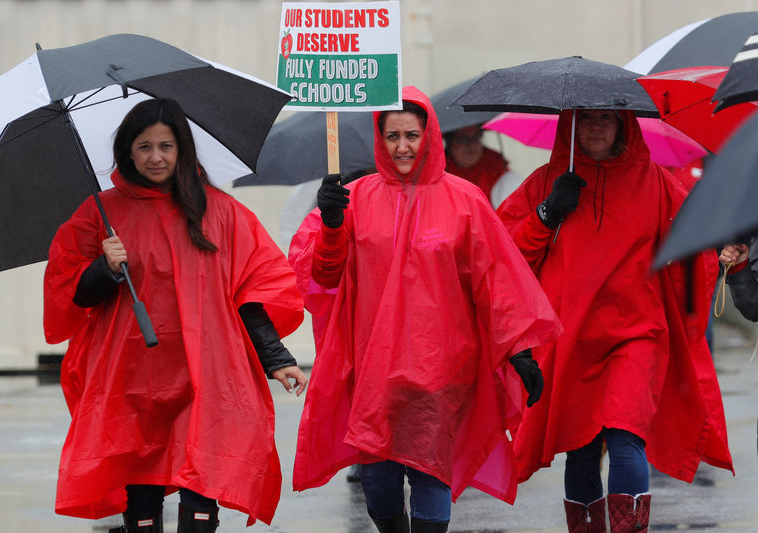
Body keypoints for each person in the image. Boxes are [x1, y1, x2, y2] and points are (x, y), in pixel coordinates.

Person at [288, 86, 562, 533]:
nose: (402, 146)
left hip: (441, 368)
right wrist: (333, 228)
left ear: (429, 135)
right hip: (373, 367)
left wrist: (520, 352)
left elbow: (496, 281)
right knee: (378, 487)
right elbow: (325, 276)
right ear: (379, 139)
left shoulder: (465, 200)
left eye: (411, 134)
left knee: (432, 469)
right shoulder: (354, 198)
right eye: (392, 135)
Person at [43, 98, 307, 533]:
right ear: (127, 151)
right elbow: (71, 294)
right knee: (141, 487)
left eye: (166, 146)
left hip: (206, 372)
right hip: (133, 375)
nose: (155, 157)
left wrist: (276, 359)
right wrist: (102, 269)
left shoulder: (220, 213)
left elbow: (252, 289)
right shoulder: (101, 214)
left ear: (182, 149)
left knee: (204, 478)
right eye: (144, 146)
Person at [496, 109, 733, 533]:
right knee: (582, 449)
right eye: (587, 119)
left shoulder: (656, 181)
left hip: (638, 335)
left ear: (624, 125)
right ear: (571, 126)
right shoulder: (547, 182)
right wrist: (547, 213)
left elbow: (694, 244)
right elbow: (503, 256)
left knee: (626, 439)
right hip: (570, 337)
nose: (597, 128)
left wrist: (727, 247)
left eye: (607, 118)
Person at [443, 123, 522, 208]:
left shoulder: (495, 164)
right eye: (463, 139)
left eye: (475, 137)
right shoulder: (439, 169)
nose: (471, 145)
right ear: (450, 143)